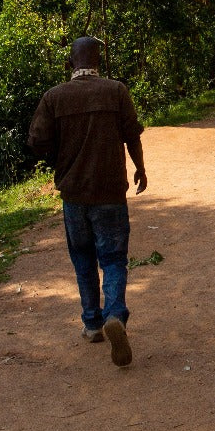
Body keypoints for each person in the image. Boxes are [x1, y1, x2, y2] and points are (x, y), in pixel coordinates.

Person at [28, 37, 147, 367]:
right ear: (99, 61)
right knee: (113, 259)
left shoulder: (54, 97)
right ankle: (116, 317)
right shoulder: (116, 90)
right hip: (110, 193)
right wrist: (140, 168)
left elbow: (36, 142)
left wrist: (58, 157)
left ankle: (92, 324)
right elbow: (131, 135)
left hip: (74, 195)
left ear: (70, 63)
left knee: (83, 258)